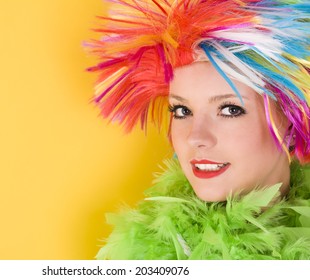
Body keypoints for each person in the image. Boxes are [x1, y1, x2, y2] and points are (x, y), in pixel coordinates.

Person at [86, 0, 310, 259]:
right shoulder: (142, 257)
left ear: (292, 124)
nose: (195, 137)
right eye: (182, 111)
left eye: (230, 110)